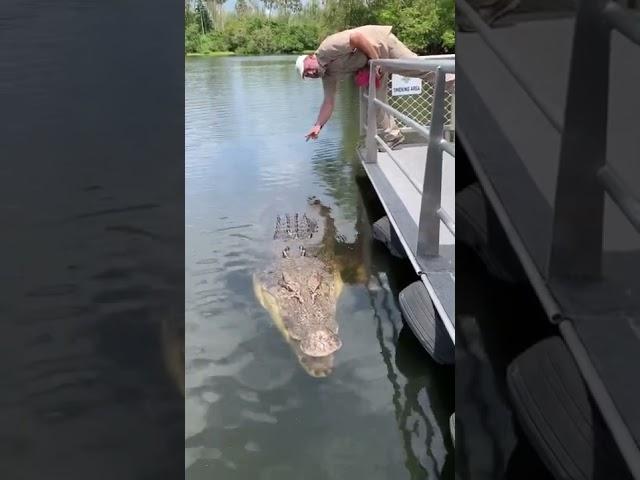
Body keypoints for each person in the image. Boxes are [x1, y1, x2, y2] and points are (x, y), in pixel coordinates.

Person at [296, 25, 442, 149]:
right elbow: (328, 102)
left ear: (310, 57)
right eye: (306, 75)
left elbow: (356, 38)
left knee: (422, 69)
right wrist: (318, 126)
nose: (310, 73)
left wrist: (376, 61)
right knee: (375, 99)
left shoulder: (326, 48)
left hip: (382, 44)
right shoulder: (327, 75)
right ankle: (394, 137)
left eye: (307, 69)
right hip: (373, 65)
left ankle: (455, 84)